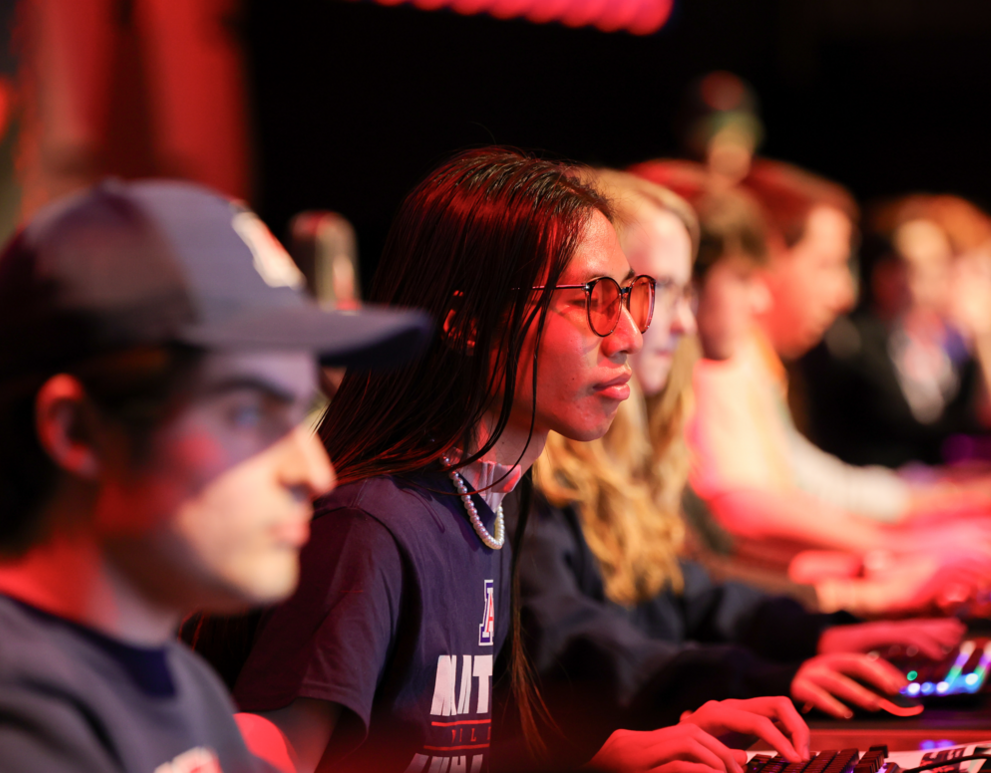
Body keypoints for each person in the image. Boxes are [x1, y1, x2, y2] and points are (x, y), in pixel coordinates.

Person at [193, 149, 815, 773]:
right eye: (595, 299)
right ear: (469, 322)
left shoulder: (481, 507)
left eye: (630, 295)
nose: (629, 333)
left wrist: (598, 761)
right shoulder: (369, 527)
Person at [0, 179, 433, 772]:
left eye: (300, 413)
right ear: (76, 431)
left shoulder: (181, 684)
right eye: (251, 413)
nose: (315, 472)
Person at [523, 169, 964, 762]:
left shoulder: (636, 444)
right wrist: (779, 656)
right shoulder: (530, 465)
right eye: (615, 298)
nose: (677, 322)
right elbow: (573, 646)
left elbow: (688, 592)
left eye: (658, 295)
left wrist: (821, 631)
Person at [657, 160, 991, 612]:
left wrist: (894, 545)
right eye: (829, 265)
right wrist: (889, 553)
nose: (844, 292)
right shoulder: (719, 359)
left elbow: (794, 488)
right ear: (774, 253)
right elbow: (742, 508)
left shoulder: (742, 357)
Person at [806, 194, 991, 468]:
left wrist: (987, 335)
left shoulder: (929, 335)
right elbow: (916, 434)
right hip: (883, 485)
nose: (926, 279)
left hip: (915, 485)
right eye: (913, 266)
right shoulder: (854, 341)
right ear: (882, 272)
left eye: (937, 264)